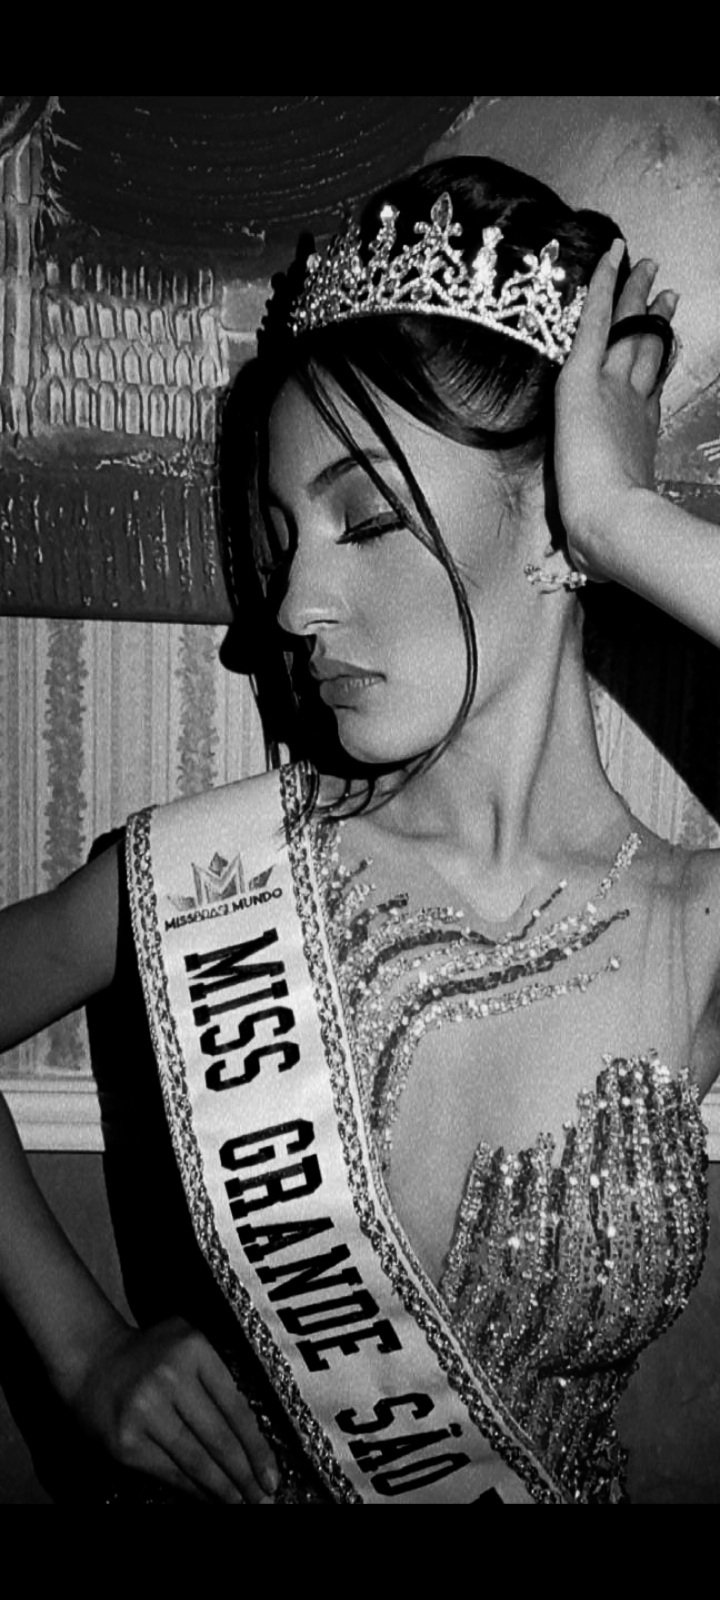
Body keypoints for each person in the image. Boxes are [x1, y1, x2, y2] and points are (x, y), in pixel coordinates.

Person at [1, 156, 719, 1505]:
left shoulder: (696, 923)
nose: (290, 609)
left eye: (368, 517)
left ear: (552, 517)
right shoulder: (223, 878)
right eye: (285, 540)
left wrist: (628, 519)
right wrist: (82, 1351)